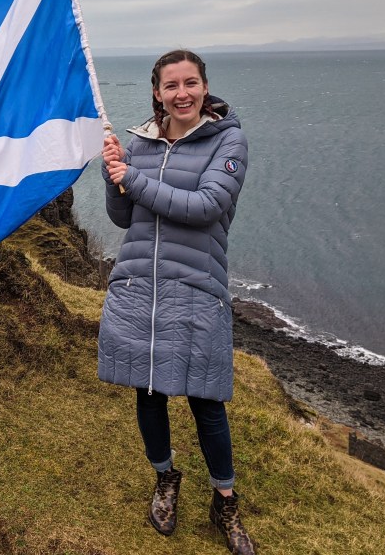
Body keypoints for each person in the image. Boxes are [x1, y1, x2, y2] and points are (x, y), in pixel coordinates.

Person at [98, 49, 256, 554]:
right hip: (139, 281)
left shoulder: (228, 140)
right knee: (148, 391)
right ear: (157, 93)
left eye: (191, 83)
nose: (182, 93)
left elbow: (206, 207)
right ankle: (165, 478)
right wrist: (113, 175)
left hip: (195, 285)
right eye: (172, 86)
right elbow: (125, 218)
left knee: (206, 400)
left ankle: (225, 500)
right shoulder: (141, 141)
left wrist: (134, 179)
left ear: (205, 88)